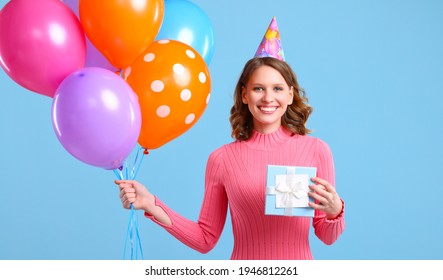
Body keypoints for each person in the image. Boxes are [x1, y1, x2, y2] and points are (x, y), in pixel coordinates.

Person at [115, 17, 345, 260]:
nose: (268, 98)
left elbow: (327, 237)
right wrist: (151, 203)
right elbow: (205, 238)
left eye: (277, 88)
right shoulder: (222, 159)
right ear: (245, 95)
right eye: (258, 88)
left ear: (290, 95)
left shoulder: (316, 151)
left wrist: (334, 210)